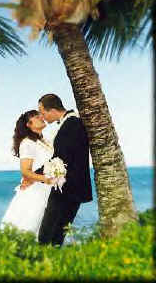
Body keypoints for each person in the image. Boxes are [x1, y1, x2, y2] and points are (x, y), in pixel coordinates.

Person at [37, 94, 93, 246]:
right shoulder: (71, 122)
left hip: (67, 189)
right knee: (56, 238)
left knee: (45, 236)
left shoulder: (72, 124)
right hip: (72, 188)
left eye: (42, 112)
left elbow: (61, 159)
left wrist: (34, 175)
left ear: (53, 109)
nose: (41, 116)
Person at [0, 110, 56, 237]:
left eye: (40, 115)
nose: (41, 117)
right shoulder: (27, 143)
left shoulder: (44, 141)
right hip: (36, 191)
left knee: (46, 228)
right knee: (31, 226)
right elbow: (25, 172)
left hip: (47, 190)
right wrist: (46, 179)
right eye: (37, 117)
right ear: (28, 125)